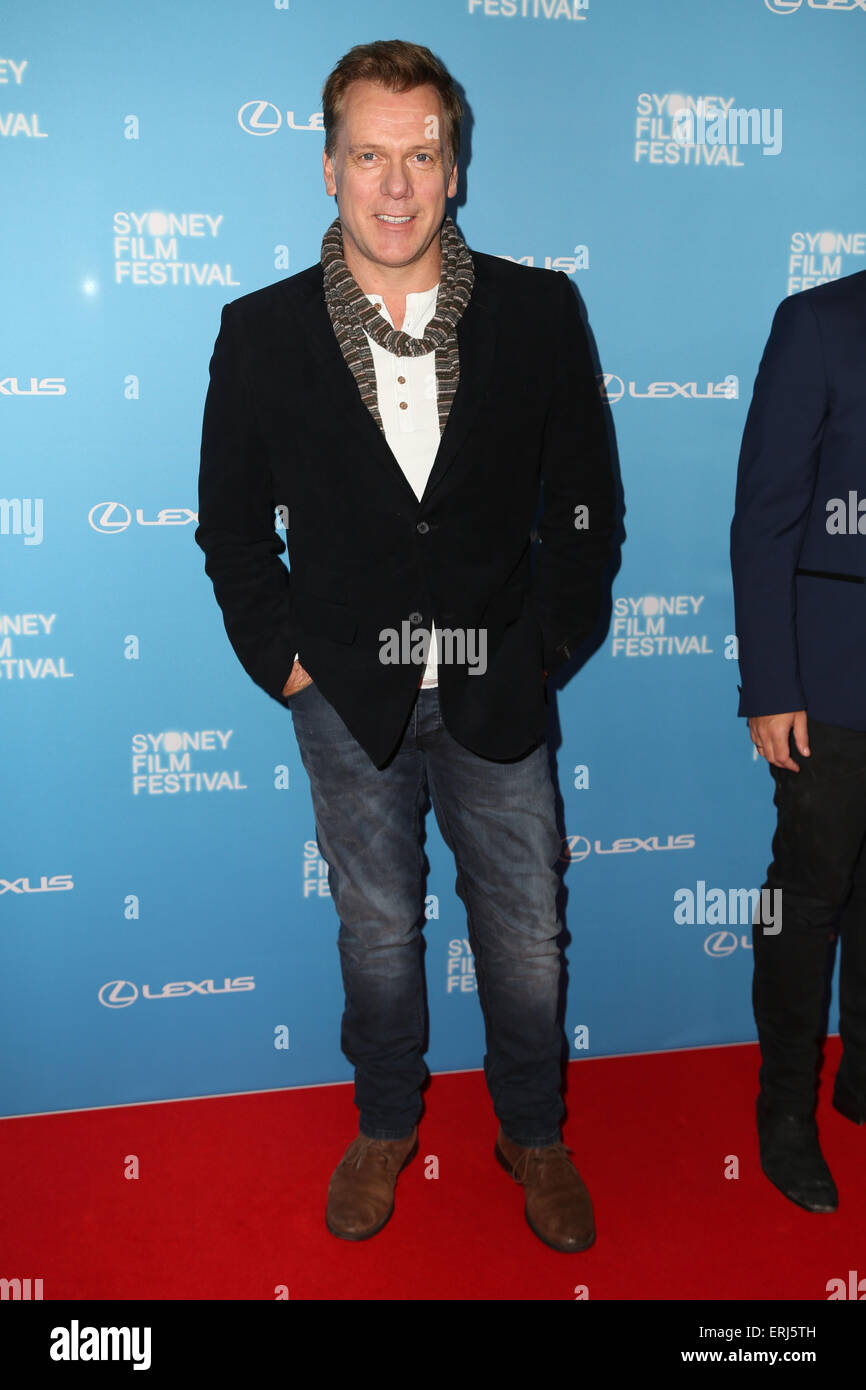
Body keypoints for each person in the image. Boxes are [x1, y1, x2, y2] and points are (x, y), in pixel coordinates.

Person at [196, 39, 615, 1251]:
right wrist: (285, 659)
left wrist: (546, 645)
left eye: (419, 154)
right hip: (345, 695)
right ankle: (385, 1123)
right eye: (369, 155)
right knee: (377, 932)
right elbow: (229, 525)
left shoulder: (538, 312)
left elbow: (583, 505)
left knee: (527, 933)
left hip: (498, 689)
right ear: (327, 168)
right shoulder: (262, 332)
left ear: (454, 169)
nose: (395, 184)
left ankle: (531, 1133)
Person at [731, 268, 866, 1214]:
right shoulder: (821, 321)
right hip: (833, 679)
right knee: (809, 900)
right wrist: (772, 684)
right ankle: (785, 1111)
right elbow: (767, 515)